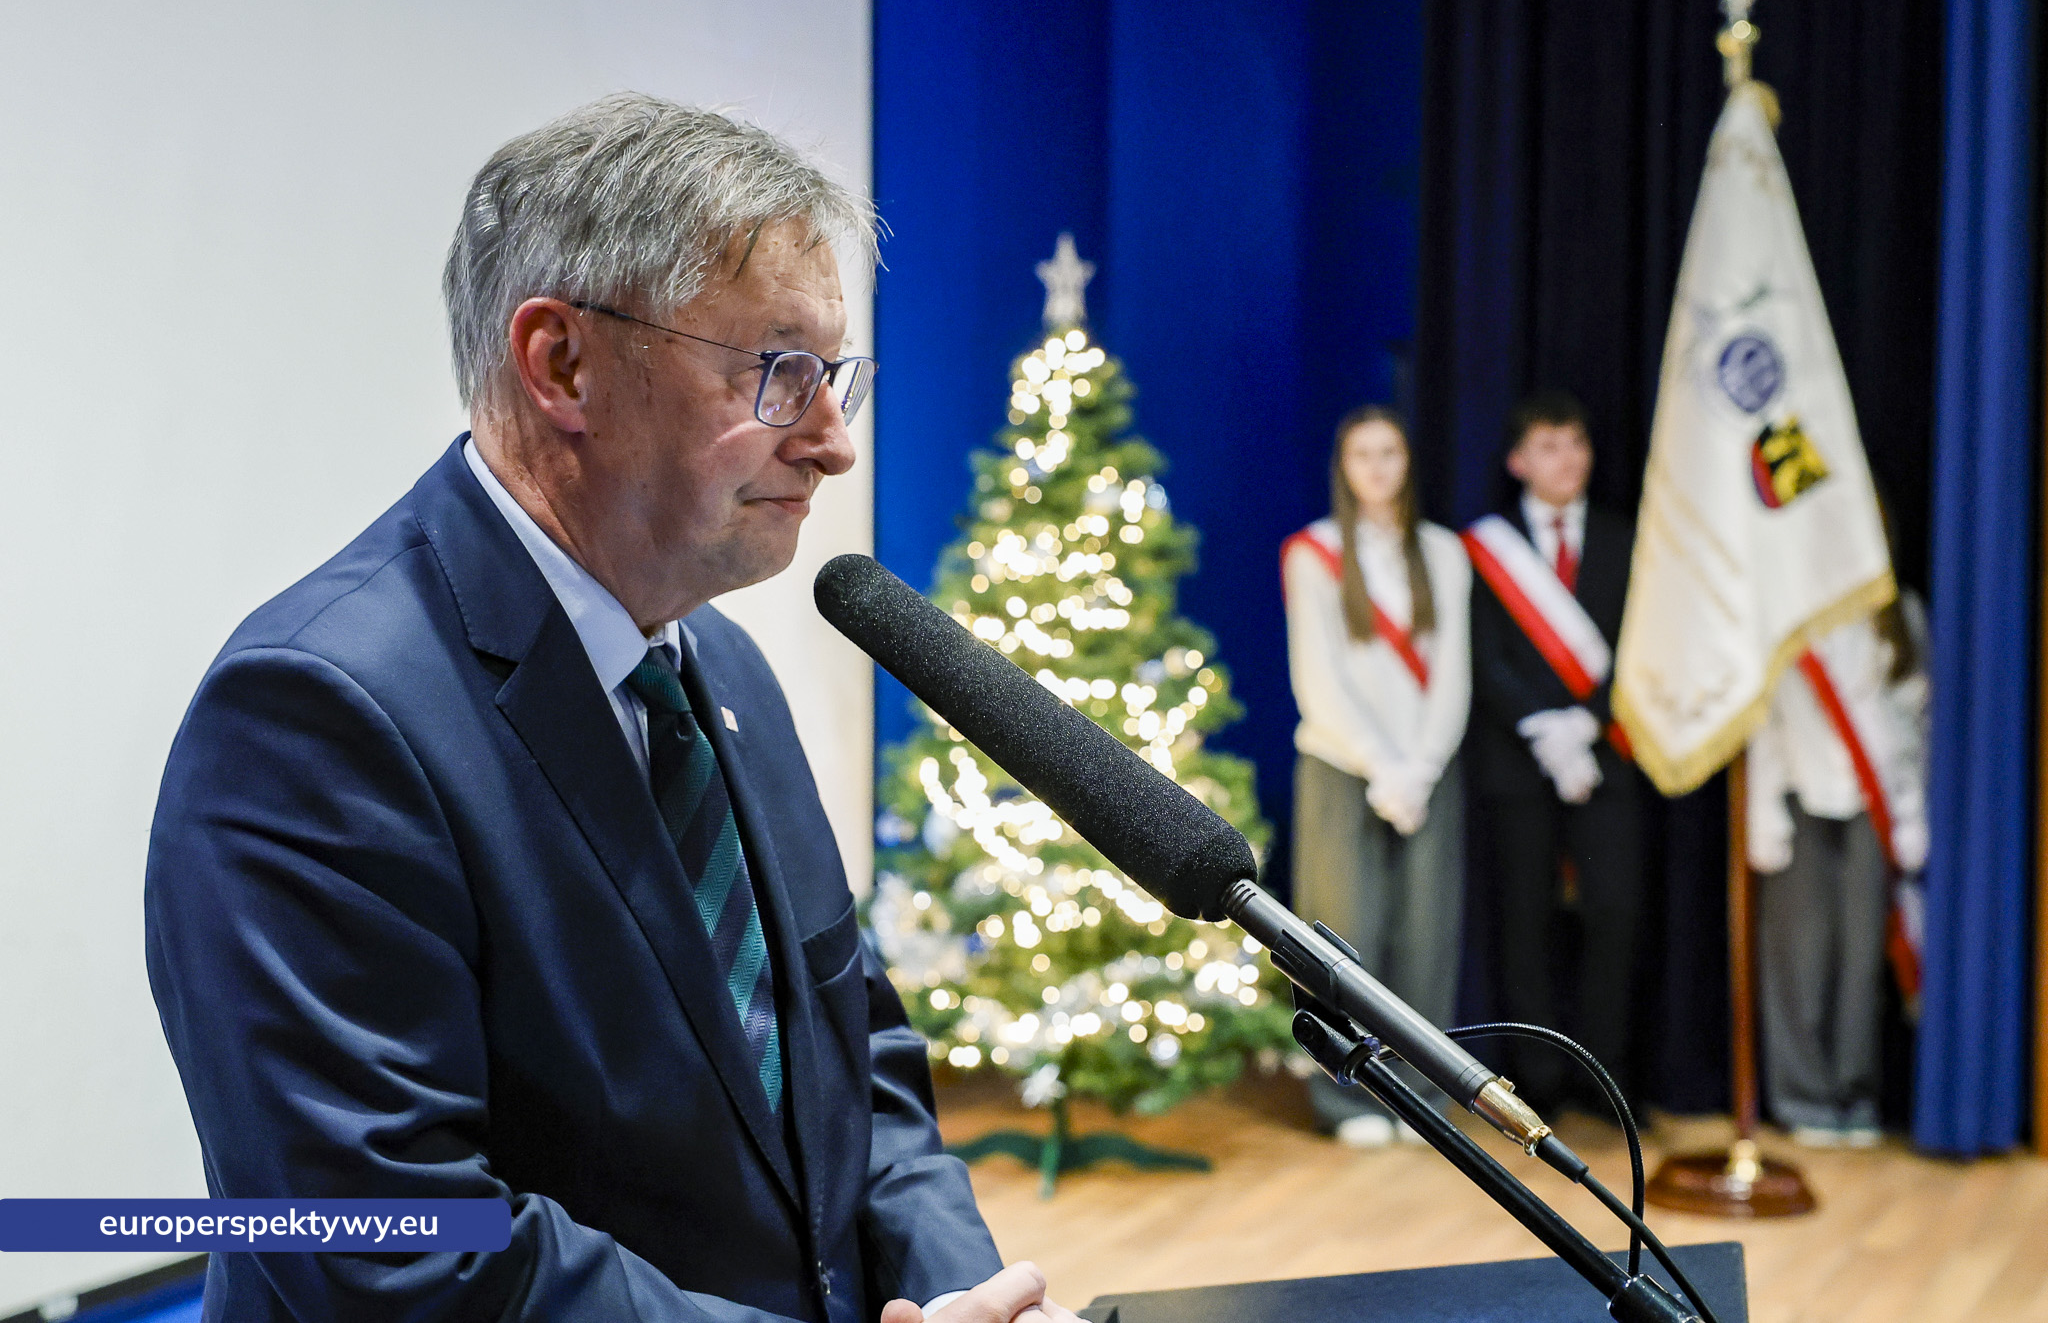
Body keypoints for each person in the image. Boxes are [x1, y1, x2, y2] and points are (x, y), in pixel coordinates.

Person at [145, 94, 1077, 1323]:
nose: (834, 442)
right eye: (778, 373)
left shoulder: (720, 668)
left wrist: (970, 1299)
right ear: (562, 364)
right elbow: (397, 1252)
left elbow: (858, 1067)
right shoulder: (312, 719)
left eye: (835, 373)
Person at [1283, 407, 1472, 1147]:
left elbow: (1451, 673)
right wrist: (1381, 764)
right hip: (1341, 766)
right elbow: (1318, 677)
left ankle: (1421, 1096)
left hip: (1428, 769)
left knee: (1427, 931)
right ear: (1344, 464)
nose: (1377, 467)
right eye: (1362, 453)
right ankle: (1348, 1101)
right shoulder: (1315, 552)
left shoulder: (1444, 553)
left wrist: (1420, 768)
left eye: (1389, 452)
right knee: (1344, 934)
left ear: (1407, 462)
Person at [1463, 391, 1645, 1114]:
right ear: (1517, 461)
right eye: (1547, 446)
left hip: (1608, 757)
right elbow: (1485, 657)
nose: (1565, 460)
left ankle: (1605, 1078)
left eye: (1576, 445)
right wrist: (1542, 727)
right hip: (1518, 762)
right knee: (1526, 921)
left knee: (1613, 917)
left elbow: (1640, 648)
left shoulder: (1624, 538)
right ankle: (1535, 1082)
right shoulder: (1485, 546)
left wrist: (1587, 724)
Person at [1747, 582, 1928, 1149]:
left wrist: (1911, 811)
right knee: (1797, 957)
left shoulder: (1900, 613)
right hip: (1801, 794)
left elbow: (1916, 721)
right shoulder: (1788, 607)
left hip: (1872, 807)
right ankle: (1803, 1096)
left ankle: (1855, 1094)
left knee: (1859, 959)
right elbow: (1766, 718)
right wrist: (1764, 809)